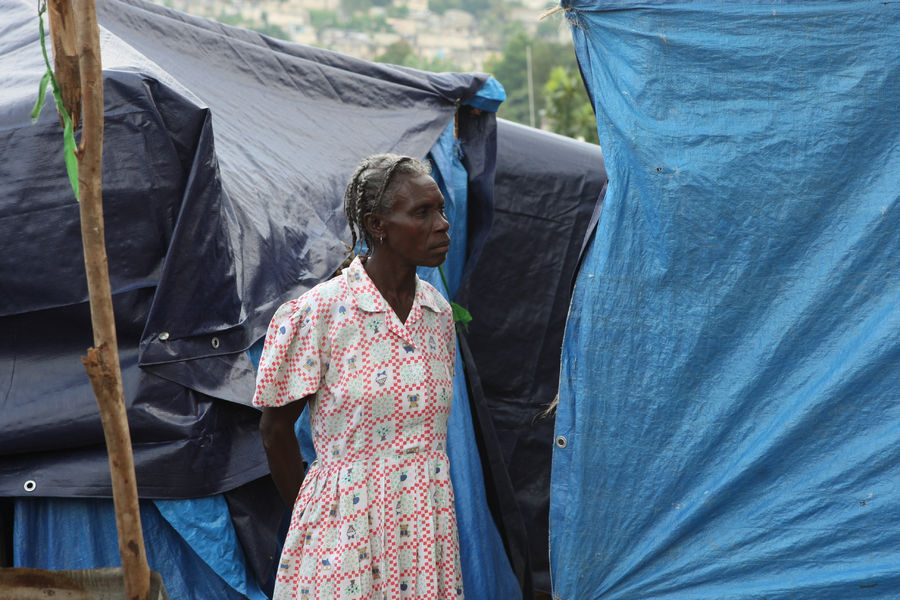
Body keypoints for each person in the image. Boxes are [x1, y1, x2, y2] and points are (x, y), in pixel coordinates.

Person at [253, 154, 463, 600]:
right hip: (344, 538)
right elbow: (275, 430)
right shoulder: (320, 314)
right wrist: (321, 515)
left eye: (441, 210)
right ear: (377, 225)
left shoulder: (437, 314)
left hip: (425, 536)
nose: (443, 224)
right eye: (422, 213)